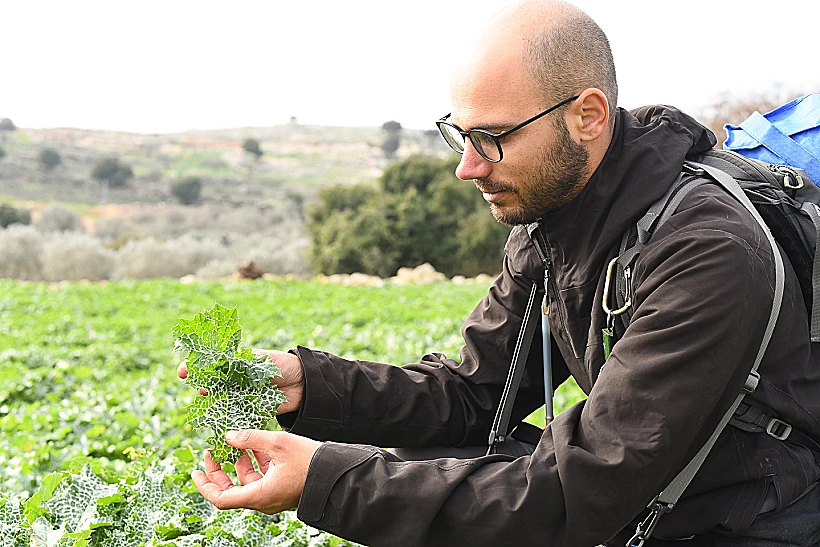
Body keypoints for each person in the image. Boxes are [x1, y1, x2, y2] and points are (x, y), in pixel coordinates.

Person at [179, 1, 820, 545]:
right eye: (460, 136)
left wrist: (324, 480)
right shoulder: (555, 221)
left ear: (588, 115)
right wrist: (306, 387)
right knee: (428, 459)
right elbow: (471, 395)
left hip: (748, 520)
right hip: (653, 501)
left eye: (492, 138)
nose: (468, 166)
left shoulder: (707, 250)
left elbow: (580, 489)